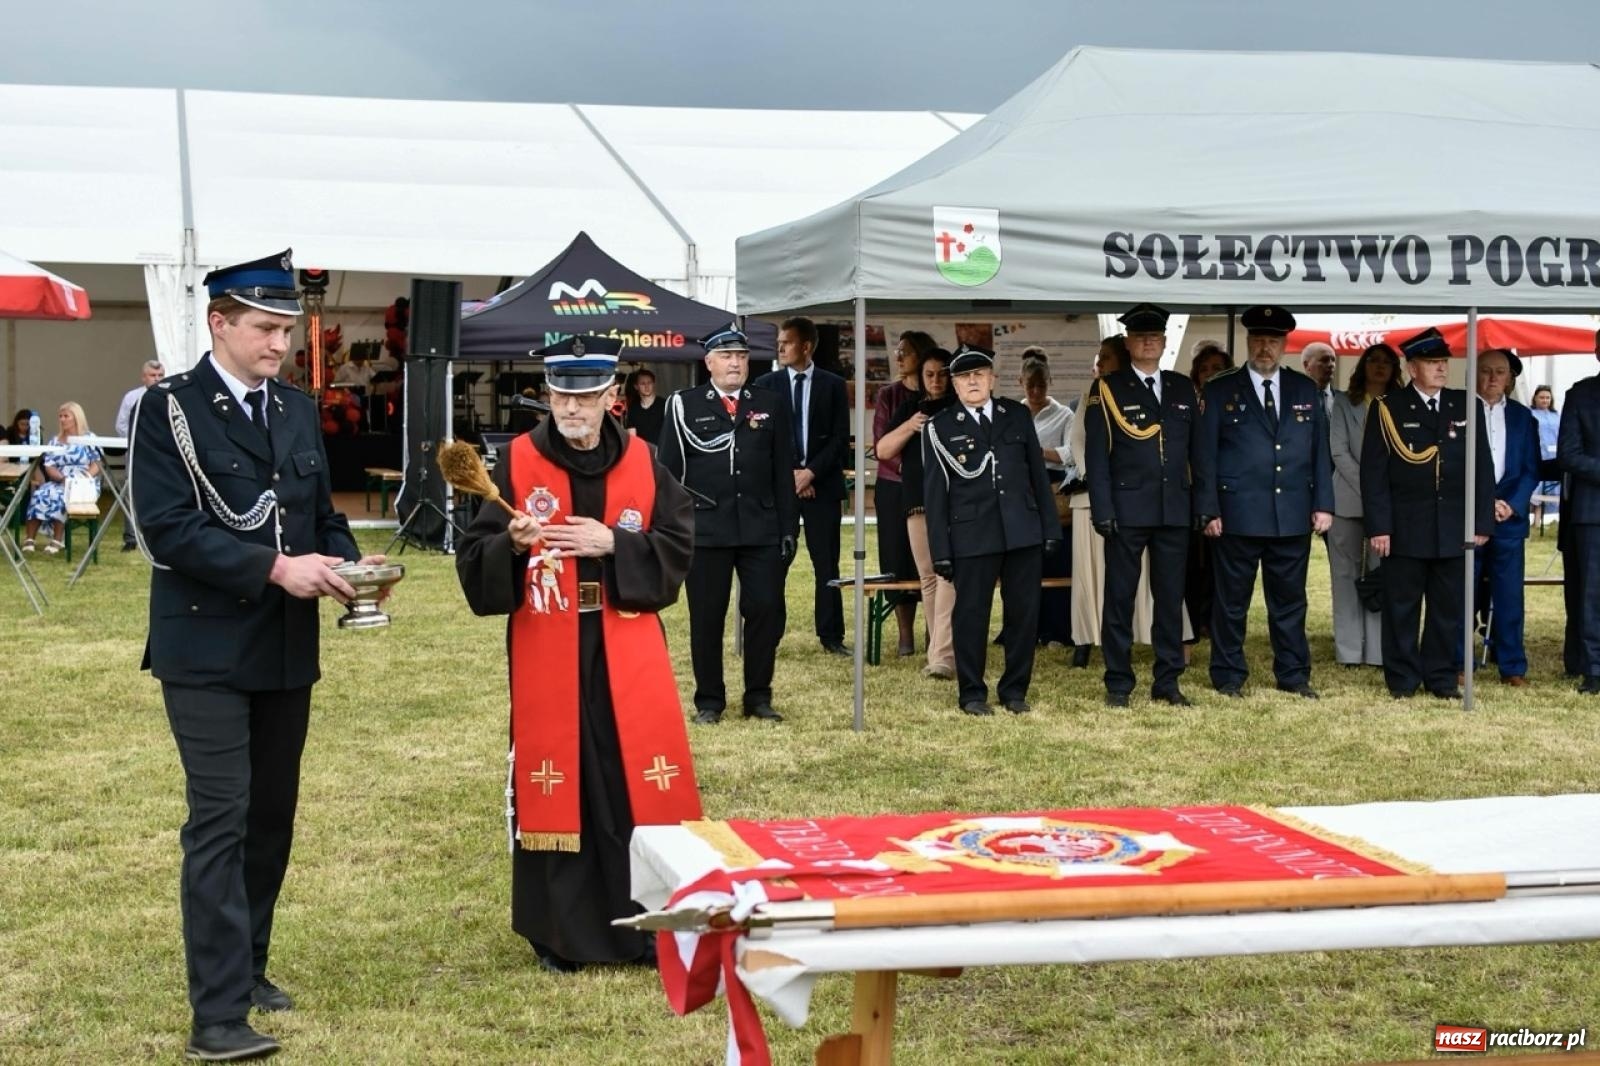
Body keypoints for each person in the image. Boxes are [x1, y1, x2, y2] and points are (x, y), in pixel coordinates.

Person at [128, 249, 376, 1062]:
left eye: (285, 331)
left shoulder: (295, 410)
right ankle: (219, 1015)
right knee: (221, 821)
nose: (279, 345)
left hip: (283, 647)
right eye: (266, 329)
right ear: (220, 323)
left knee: (270, 821)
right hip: (202, 646)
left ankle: (251, 965)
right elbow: (165, 528)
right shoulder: (169, 409)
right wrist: (273, 566)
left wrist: (345, 564)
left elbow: (315, 512)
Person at [455, 334, 700, 974]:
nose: (572, 408)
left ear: (610, 398)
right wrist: (508, 544)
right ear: (550, 395)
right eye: (562, 394)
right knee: (562, 778)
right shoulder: (514, 463)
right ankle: (560, 934)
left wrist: (614, 545)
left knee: (627, 781)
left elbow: (677, 543)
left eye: (586, 396)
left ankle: (648, 925)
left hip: (623, 639)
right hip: (550, 640)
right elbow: (472, 558)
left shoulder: (646, 463)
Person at [658, 323, 796, 722]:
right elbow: (668, 473)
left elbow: (781, 469)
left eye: (741, 356)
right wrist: (673, 529)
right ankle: (709, 701)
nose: (735, 363)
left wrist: (788, 527)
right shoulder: (685, 405)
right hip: (706, 529)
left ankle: (758, 696)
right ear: (709, 362)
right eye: (726, 356)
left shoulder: (770, 402)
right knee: (707, 616)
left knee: (766, 610)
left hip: (760, 526)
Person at [1194, 306, 1333, 699]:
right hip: (1236, 513)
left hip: (1290, 512)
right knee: (1231, 602)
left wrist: (1324, 503)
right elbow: (1204, 456)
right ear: (1248, 342)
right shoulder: (1221, 389)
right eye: (1258, 340)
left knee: (1290, 603)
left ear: (1286, 345)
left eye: (1272, 341)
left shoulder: (1304, 389)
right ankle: (1228, 674)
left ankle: (1293, 674)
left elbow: (1320, 452)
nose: (1264, 348)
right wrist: (1209, 509)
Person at [923, 344, 1059, 716]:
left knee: (1023, 614)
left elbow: (1036, 474)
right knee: (970, 616)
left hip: (1021, 530)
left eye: (979, 374)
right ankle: (972, 693)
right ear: (953, 383)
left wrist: (1050, 528)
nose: (972, 381)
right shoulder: (940, 427)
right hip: (972, 534)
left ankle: (1014, 690)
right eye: (964, 376)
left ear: (992, 379)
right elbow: (935, 496)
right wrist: (941, 551)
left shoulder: (1015, 415)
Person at [1361, 327, 1494, 700]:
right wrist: (1380, 527)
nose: (1440, 369)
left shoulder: (1465, 404)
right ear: (1412, 367)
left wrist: (1481, 521)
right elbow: (1373, 475)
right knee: (1402, 607)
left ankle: (1439, 676)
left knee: (1446, 608)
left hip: (1453, 526)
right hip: (1405, 527)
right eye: (1432, 362)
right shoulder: (1389, 408)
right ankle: (1402, 679)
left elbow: (1482, 467)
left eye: (1443, 362)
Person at [1084, 304, 1200, 708]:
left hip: (1173, 509)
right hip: (1126, 509)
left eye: (1155, 336)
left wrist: (1200, 505)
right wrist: (1103, 509)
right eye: (1140, 336)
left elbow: (1197, 454)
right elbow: (1097, 458)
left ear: (1165, 343)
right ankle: (1118, 681)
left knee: (1169, 598)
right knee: (1120, 598)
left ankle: (1167, 680)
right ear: (1128, 342)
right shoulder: (1108, 388)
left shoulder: (1183, 387)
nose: (1149, 342)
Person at [755, 316, 849, 655]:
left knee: (828, 563)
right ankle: (770, 634)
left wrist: (810, 473)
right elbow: (763, 439)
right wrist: (793, 474)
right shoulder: (766, 384)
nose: (780, 347)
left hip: (822, 487)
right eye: (779, 341)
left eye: (787, 342)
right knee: (775, 562)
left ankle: (831, 635)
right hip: (781, 489)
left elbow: (840, 439)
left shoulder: (833, 385)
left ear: (806, 346)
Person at [876, 347, 957, 678]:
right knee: (928, 577)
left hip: (954, 504)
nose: (936, 381)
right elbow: (882, 450)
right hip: (917, 502)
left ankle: (942, 652)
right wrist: (910, 425)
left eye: (942, 374)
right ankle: (935, 648)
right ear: (920, 377)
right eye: (929, 374)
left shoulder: (959, 407)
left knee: (947, 574)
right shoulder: (910, 408)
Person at [1328, 343, 1403, 668]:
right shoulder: (1344, 402)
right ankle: (1348, 650)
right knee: (1343, 576)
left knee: (1380, 576)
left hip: (1387, 505)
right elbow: (1339, 451)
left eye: (1387, 362)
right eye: (1373, 360)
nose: (1380, 366)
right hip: (1346, 500)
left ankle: (1376, 651)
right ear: (1362, 366)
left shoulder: (1400, 404)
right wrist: (1370, 488)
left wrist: (1380, 495)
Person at [1473, 348, 1541, 686]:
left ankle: (1512, 666)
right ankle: (1459, 661)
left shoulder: (1522, 417)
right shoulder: (1460, 411)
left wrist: (1511, 504)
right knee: (1463, 592)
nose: (1493, 378)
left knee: (1510, 596)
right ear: (1475, 372)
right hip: (1470, 518)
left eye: (1500, 371)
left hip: (1509, 521)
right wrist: (1482, 504)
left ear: (1510, 378)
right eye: (1486, 370)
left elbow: (1532, 469)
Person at [872, 330, 936, 655]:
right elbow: (880, 443)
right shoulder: (889, 395)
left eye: (905, 352)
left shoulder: (937, 394)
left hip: (931, 492)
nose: (898, 357)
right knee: (897, 559)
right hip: (894, 488)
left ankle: (932, 634)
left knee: (930, 561)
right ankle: (905, 636)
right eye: (897, 351)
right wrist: (911, 472)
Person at [1021, 357, 1075, 648]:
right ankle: (1025, 629)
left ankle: (1056, 630)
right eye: (1030, 385)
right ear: (1021, 383)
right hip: (1021, 493)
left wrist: (1039, 452)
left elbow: (1070, 453)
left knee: (1056, 562)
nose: (1036, 391)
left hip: (1053, 490)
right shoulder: (1015, 412)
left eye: (1041, 385)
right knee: (1026, 565)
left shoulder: (1064, 414)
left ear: (1049, 383)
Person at [1184, 344, 1233, 645]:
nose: (1211, 374)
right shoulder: (1188, 404)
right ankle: (1192, 622)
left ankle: (1215, 621)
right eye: (1205, 369)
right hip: (1190, 493)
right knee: (1192, 563)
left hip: (1227, 496)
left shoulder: (1237, 403)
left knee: (1221, 564)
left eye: (1217, 368)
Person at [1560, 328, 1600, 692]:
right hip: (1592, 512)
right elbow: (1567, 455)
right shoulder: (1580, 394)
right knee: (1590, 594)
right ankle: (1593, 669)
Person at [23, 402, 103, 555]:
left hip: (83, 482)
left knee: (62, 496)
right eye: (60, 416)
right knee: (40, 494)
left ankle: (57, 539)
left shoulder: (89, 438)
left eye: (66, 416)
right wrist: (61, 478)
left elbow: (97, 464)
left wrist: (82, 479)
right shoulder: (56, 440)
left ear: (76, 418)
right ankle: (29, 539)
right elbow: (49, 465)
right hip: (60, 480)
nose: (62, 419)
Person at [116, 361, 165, 548]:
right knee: (131, 494)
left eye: (160, 375)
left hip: (162, 453)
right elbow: (121, 425)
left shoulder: (170, 395)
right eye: (153, 375)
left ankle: (157, 536)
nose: (157, 379)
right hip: (137, 451)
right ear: (143, 377)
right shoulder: (132, 397)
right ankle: (131, 538)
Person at [1530, 384, 1560, 518]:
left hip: (1554, 455)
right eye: (1542, 397)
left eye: (1548, 398)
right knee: (1537, 486)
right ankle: (1535, 517)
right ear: (1535, 398)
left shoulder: (1556, 415)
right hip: (1539, 454)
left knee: (1553, 487)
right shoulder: (1530, 413)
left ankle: (1550, 518)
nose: (1545, 400)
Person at [623, 367, 665, 445]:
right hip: (642, 452)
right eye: (642, 383)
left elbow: (671, 432)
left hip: (662, 453)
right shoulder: (633, 409)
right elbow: (632, 437)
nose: (647, 386)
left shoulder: (665, 405)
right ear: (636, 386)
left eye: (649, 383)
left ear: (653, 384)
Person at [1301, 341, 1338, 416]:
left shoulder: (1343, 401)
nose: (1331, 365)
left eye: (1333, 360)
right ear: (1306, 365)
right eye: (1324, 360)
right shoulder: (1291, 398)